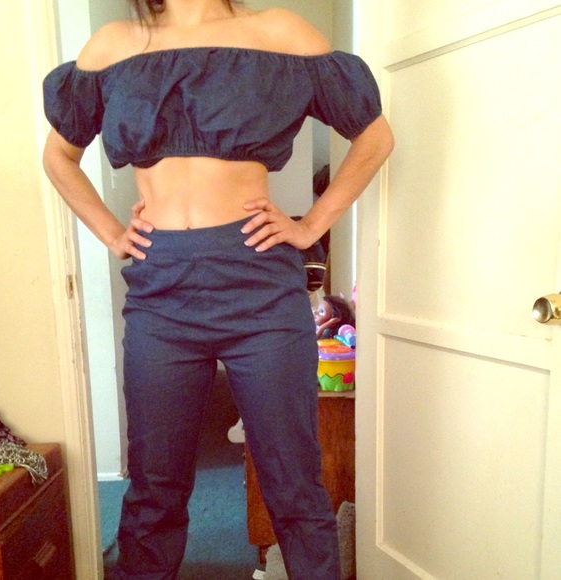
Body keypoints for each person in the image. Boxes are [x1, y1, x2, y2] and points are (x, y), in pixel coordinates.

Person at [42, 0, 394, 578]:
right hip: (159, 289)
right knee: (154, 483)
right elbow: (59, 156)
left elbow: (375, 138)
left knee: (293, 480)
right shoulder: (111, 45)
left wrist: (311, 224)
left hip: (259, 286)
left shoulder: (278, 32)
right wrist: (111, 232)